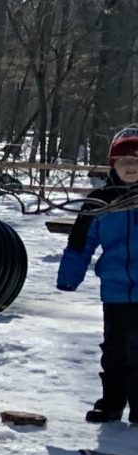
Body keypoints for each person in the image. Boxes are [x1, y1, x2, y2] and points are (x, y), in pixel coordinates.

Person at [60, 126, 138, 420]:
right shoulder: (101, 201)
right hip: (115, 290)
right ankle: (112, 402)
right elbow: (80, 242)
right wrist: (69, 277)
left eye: (136, 162)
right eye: (124, 162)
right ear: (113, 166)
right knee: (114, 350)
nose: (131, 168)